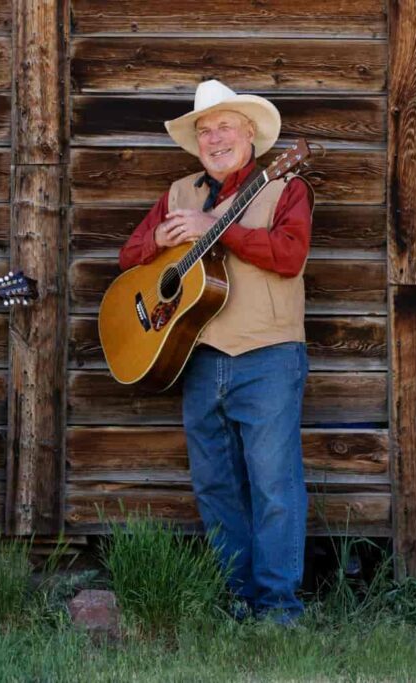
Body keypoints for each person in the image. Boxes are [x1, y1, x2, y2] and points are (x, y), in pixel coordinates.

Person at [118, 80, 313, 624]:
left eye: (224, 126)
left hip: (269, 354)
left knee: (274, 484)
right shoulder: (178, 192)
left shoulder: (285, 185)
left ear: (250, 134)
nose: (214, 137)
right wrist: (158, 241)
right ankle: (236, 596)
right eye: (204, 130)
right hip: (197, 356)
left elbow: (289, 256)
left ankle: (279, 607)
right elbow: (129, 256)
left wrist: (216, 230)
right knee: (215, 484)